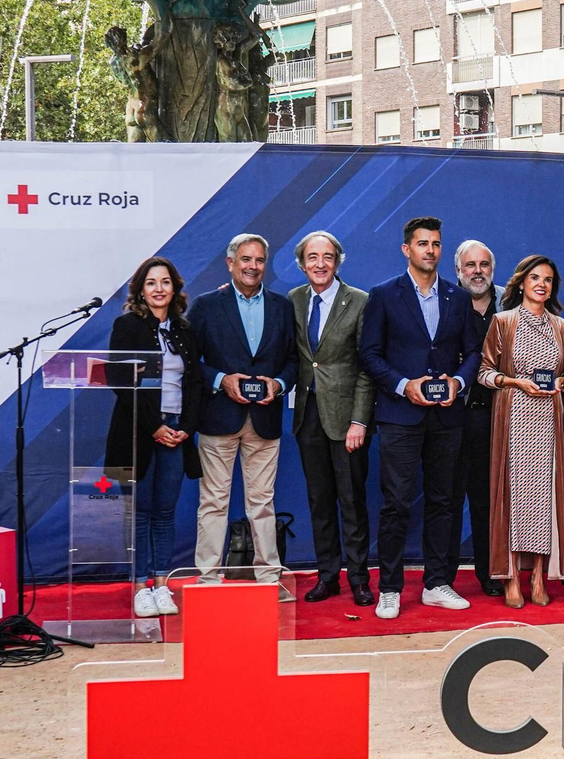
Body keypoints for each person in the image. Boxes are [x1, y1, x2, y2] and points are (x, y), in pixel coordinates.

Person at [358, 216, 483, 620]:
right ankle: (390, 587)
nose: (430, 250)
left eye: (436, 244)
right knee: (395, 504)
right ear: (406, 249)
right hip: (399, 416)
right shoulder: (383, 295)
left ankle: (436, 583)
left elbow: (474, 354)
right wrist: (402, 385)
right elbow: (370, 354)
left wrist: (458, 384)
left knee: (443, 501)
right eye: (422, 243)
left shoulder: (457, 297)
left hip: (447, 417)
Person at [187, 233, 299, 597]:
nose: (253, 267)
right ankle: (207, 578)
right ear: (231, 263)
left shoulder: (283, 307)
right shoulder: (206, 306)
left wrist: (278, 384)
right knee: (214, 502)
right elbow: (190, 363)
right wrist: (221, 379)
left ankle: (269, 576)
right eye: (246, 260)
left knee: (262, 503)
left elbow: (293, 362)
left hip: (265, 423)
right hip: (219, 419)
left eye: (260, 260)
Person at [477, 256, 564, 607]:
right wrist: (515, 381)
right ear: (521, 282)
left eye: (548, 280)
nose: (541, 284)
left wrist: (560, 383)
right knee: (512, 499)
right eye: (535, 278)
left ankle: (538, 576)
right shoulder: (502, 322)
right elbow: (485, 373)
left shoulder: (562, 327)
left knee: (543, 499)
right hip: (513, 420)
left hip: (547, 422)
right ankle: (510, 579)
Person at [105, 256, 205, 617]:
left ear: (175, 288)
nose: (159, 289)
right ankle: (139, 588)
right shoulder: (126, 326)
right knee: (140, 512)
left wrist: (184, 428)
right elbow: (119, 381)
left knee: (164, 511)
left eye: (165, 282)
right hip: (138, 431)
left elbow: (194, 384)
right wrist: (154, 427)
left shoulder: (185, 330)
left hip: (177, 429)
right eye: (151, 283)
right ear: (140, 290)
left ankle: (162, 584)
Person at [288, 231, 376, 606]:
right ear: (302, 263)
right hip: (307, 416)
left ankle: (358, 578)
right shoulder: (293, 300)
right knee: (319, 500)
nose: (320, 264)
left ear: (338, 261)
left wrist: (359, 421)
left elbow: (366, 368)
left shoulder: (359, 301)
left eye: (327, 256)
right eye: (312, 257)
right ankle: (328, 576)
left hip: (347, 421)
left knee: (352, 501)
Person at [450, 240, 505, 597]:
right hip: (453, 416)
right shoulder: (444, 302)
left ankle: (490, 572)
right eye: (470, 265)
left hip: (500, 417)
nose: (477, 271)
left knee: (490, 501)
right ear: (459, 271)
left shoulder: (511, 302)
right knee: (449, 498)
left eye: (484, 264)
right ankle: (442, 578)